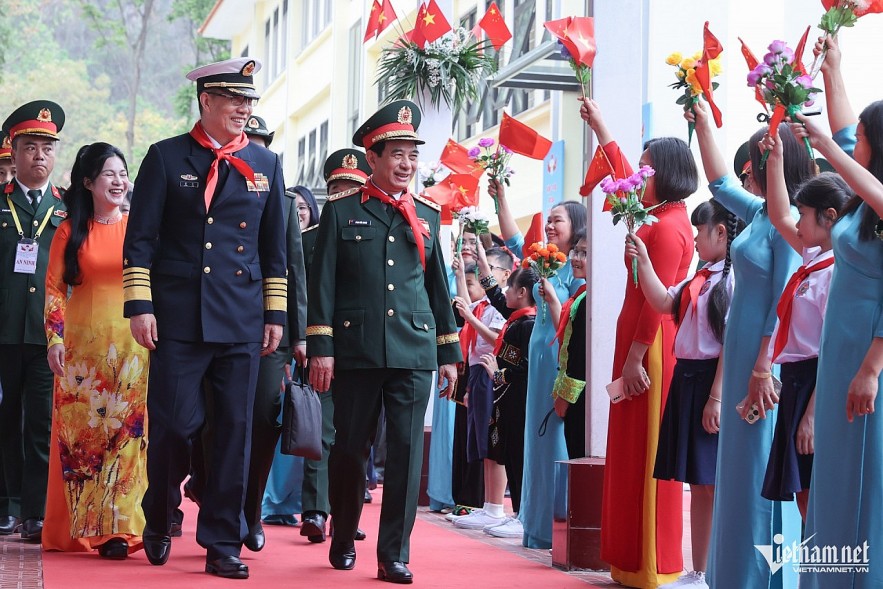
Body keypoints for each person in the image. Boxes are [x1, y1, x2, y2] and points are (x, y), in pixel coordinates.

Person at [123, 57, 287, 579]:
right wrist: (140, 306)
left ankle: (222, 541)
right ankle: (160, 509)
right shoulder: (166, 158)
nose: (243, 109)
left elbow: (274, 248)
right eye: (234, 100)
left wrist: (275, 314)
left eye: (249, 102)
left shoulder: (267, 164)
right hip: (177, 318)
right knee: (172, 424)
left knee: (235, 432)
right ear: (206, 102)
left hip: (240, 317)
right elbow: (140, 240)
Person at [307, 99, 460, 584]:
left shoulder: (430, 216)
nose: (406, 165)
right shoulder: (341, 211)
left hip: (414, 351)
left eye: (412, 156)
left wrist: (449, 354)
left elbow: (439, 289)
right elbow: (323, 285)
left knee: (406, 452)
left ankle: (394, 553)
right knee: (350, 450)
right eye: (396, 154)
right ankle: (344, 530)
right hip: (356, 351)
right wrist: (321, 347)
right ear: (371, 158)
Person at [689, 100, 811, 589]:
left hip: (762, 360)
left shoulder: (790, 226)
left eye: (755, 162)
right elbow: (718, 184)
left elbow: (783, 299)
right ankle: (731, 574)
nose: (747, 171)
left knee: (761, 471)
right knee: (737, 471)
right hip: (739, 352)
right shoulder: (762, 212)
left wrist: (763, 367)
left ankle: (763, 578)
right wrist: (701, 120)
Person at [582, 97, 694, 587]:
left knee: (648, 458)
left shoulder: (669, 227)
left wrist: (632, 358)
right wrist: (602, 124)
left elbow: (658, 302)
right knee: (629, 454)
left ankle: (653, 563)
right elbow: (622, 174)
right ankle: (629, 560)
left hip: (647, 347)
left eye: (648, 169)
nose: (639, 176)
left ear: (665, 174)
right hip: (633, 343)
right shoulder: (656, 215)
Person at [789, 35, 883, 588]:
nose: (854, 144)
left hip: (868, 358)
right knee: (835, 481)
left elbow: (841, 146)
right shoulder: (859, 199)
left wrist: (871, 368)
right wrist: (833, 66)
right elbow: (845, 129)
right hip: (838, 352)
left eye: (863, 141)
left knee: (864, 483)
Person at [40, 142, 148, 559]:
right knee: (82, 440)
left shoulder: (139, 228)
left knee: (126, 435)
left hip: (133, 347)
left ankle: (118, 529)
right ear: (88, 183)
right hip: (81, 355)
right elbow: (54, 289)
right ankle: (81, 523)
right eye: (109, 174)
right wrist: (54, 339)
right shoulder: (70, 230)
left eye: (123, 173)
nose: (119, 181)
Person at [626, 200, 740, 589]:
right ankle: (700, 571)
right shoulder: (702, 277)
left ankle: (714, 570)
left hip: (710, 380)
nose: (694, 237)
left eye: (700, 230)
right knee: (698, 482)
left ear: (721, 232)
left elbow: (729, 344)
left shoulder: (732, 279)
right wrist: (643, 258)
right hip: (687, 378)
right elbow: (661, 301)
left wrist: (717, 397)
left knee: (712, 481)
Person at [489, 174, 586, 549]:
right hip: (537, 360)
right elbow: (514, 239)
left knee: (553, 440)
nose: (549, 224)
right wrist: (500, 199)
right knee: (533, 441)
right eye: (550, 219)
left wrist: (550, 301)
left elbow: (574, 322)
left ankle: (554, 523)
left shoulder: (575, 271)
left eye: (557, 219)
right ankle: (530, 518)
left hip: (557, 361)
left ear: (575, 227)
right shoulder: (544, 263)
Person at [758, 131, 851, 520]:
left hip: (819, 382)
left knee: (816, 492)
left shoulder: (840, 271)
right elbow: (779, 215)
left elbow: (832, 351)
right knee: (802, 494)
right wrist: (775, 158)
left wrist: (812, 414)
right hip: (796, 379)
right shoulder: (814, 255)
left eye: (804, 214)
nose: (796, 222)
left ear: (828, 217)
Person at [296, 150, 372, 544]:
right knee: (320, 432)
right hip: (318, 350)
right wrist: (302, 339)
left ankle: (346, 513)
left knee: (353, 438)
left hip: (363, 353)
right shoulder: (308, 239)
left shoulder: (377, 235)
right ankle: (314, 510)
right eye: (337, 190)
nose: (344, 196)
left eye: (353, 190)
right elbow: (300, 295)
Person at [0, 101, 67, 543]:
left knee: (41, 422)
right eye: (29, 147)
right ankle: (6, 505)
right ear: (14, 152)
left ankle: (36, 511)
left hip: (49, 337)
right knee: (5, 420)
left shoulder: (67, 209)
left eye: (46, 147)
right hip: (3, 333)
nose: (39, 155)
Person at [477, 258, 536, 539]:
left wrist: (497, 374)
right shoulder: (516, 320)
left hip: (517, 398)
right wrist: (483, 266)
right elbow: (497, 298)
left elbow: (523, 368)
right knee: (508, 453)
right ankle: (517, 513)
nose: (505, 293)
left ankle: (523, 514)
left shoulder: (527, 324)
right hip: (507, 398)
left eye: (509, 287)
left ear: (522, 292)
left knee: (517, 453)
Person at [449, 259, 506, 532]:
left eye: (487, 273)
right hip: (474, 373)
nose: (481, 280)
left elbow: (497, 340)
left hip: (488, 371)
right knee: (480, 442)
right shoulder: (479, 306)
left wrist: (471, 319)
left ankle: (495, 507)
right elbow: (465, 302)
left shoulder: (499, 307)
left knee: (490, 439)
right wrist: (460, 272)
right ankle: (486, 506)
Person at [546, 229, 590, 460]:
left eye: (584, 253)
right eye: (576, 250)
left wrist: (566, 396)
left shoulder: (589, 300)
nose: (575, 258)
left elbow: (580, 354)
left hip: (582, 395)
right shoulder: (583, 295)